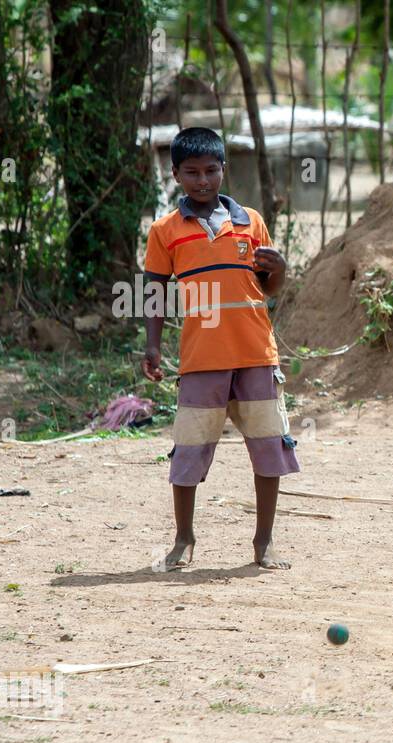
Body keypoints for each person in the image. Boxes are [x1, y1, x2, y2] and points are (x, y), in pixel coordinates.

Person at [140, 127, 299, 571]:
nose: (203, 180)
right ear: (175, 175)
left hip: (255, 353)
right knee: (189, 450)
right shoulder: (165, 231)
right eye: (191, 172)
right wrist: (152, 346)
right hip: (201, 358)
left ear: (224, 170)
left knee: (269, 448)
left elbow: (269, 288)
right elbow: (154, 293)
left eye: (211, 170)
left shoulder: (250, 221)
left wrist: (281, 269)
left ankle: (264, 542)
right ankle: (184, 538)